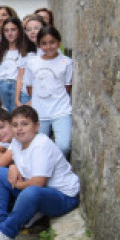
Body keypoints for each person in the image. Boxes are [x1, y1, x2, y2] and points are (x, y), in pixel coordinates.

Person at [0, 106, 80, 240]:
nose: (19, 129)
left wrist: (18, 184)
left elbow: (38, 183)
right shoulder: (17, 142)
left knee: (31, 191)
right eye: (15, 125)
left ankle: (6, 233)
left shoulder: (41, 145)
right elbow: (16, 163)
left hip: (63, 197)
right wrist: (13, 166)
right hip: (42, 192)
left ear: (36, 127)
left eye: (25, 124)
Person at [16, 26, 73, 158]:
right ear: (39, 44)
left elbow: (67, 87)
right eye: (44, 43)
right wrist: (37, 99)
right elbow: (29, 86)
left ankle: (57, 169)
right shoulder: (32, 63)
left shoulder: (66, 62)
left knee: (64, 145)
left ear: (58, 42)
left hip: (61, 110)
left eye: (52, 42)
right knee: (39, 147)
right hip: (40, 111)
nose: (48, 47)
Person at [0, 17, 31, 112]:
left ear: (19, 31)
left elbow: (22, 75)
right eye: (6, 30)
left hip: (17, 87)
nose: (9, 33)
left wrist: (18, 97)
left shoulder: (25, 50)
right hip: (1, 86)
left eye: (13, 29)